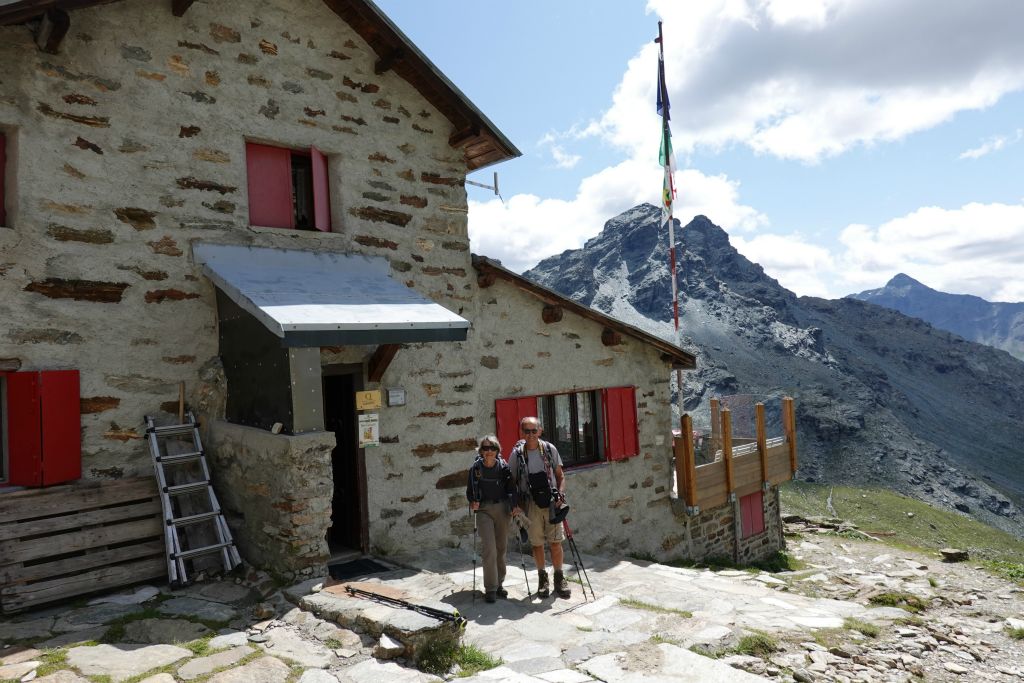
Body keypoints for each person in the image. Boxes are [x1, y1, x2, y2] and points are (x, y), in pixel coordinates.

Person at [508, 416, 571, 599]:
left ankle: (559, 577)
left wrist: (560, 494)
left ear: (540, 431)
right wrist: (516, 505)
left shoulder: (550, 449)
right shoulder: (517, 454)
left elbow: (560, 476)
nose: (530, 435)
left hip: (551, 502)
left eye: (533, 431)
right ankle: (543, 578)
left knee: (555, 542)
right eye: (526, 431)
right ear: (522, 432)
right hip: (530, 504)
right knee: (537, 544)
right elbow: (511, 481)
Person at [465, 434, 517, 603]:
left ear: (497, 450)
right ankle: (491, 588)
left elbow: (511, 489)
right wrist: (473, 502)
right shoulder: (476, 469)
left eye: (492, 448)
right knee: (490, 549)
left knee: (501, 548)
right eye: (485, 448)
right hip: (484, 510)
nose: (489, 452)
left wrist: (514, 505)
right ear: (481, 451)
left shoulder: (503, 467)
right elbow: (470, 491)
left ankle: (499, 583)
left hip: (502, 509)